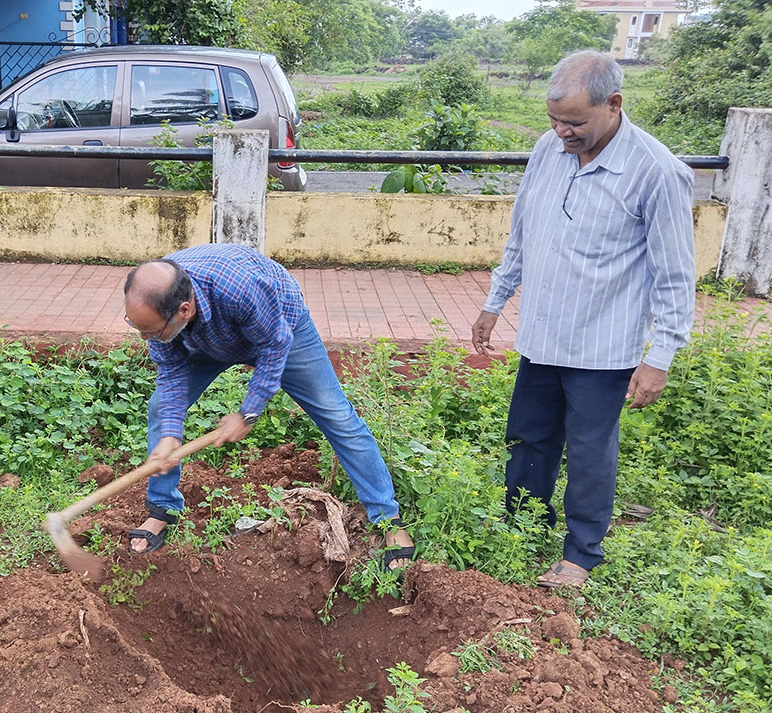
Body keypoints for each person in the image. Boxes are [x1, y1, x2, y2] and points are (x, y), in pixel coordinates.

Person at [470, 50, 695, 590]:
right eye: (553, 120)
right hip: (542, 334)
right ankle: (522, 525)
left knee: (590, 450)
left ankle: (581, 555)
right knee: (528, 436)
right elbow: (522, 232)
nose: (561, 132)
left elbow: (674, 276)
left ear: (614, 105)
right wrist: (495, 300)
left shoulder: (657, 172)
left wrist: (659, 357)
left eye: (574, 122)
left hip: (603, 346)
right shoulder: (548, 150)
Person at [123, 242, 415, 565]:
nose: (143, 339)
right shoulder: (156, 311)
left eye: (149, 332)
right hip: (205, 340)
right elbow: (172, 373)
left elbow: (275, 345)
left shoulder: (239, 288)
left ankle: (388, 519)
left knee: (337, 416)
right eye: (139, 329)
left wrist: (248, 411)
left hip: (279, 328)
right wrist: (169, 436)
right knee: (160, 408)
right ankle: (163, 508)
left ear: (184, 310)